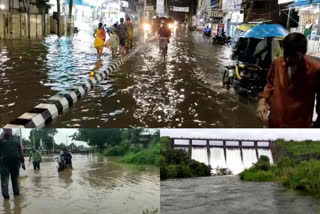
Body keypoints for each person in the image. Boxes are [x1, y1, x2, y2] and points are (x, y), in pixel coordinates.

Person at [257, 33, 320, 128]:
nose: (288, 59)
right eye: (287, 54)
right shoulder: (277, 63)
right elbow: (270, 85)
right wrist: (262, 102)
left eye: (294, 55)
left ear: (304, 52)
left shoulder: (315, 69)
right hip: (275, 123)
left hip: (299, 128)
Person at [0, 129, 25, 199]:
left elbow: (20, 150)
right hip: (4, 164)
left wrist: (23, 162)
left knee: (15, 180)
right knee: (4, 181)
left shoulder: (16, 139)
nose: (9, 131)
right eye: (7, 130)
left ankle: (16, 195)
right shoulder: (1, 139)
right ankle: (6, 197)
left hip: (15, 163)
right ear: (3, 131)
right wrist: (1, 137)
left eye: (10, 130)